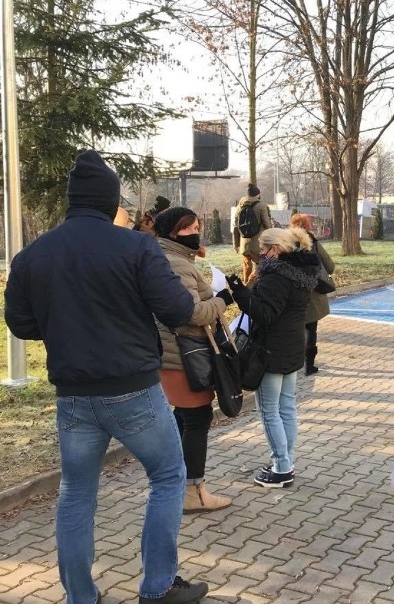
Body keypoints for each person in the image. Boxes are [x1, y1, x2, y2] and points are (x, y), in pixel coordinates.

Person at [4, 150, 208, 604]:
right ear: (110, 200)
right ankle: (158, 586)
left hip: (73, 395)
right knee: (169, 475)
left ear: (73, 199)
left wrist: (63, 329)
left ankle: (81, 596)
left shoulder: (33, 254)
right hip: (133, 388)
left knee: (76, 493)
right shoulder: (136, 246)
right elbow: (178, 310)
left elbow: (20, 325)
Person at [154, 207, 234, 514]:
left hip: (174, 351)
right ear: (173, 233)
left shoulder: (173, 258)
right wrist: (222, 300)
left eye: (198, 226)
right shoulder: (176, 263)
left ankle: (177, 484)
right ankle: (193, 493)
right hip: (182, 353)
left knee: (183, 418)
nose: (196, 233)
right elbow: (192, 314)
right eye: (190, 229)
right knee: (197, 418)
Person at [226, 227, 319, 488]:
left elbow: (264, 314)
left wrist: (238, 291)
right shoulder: (301, 272)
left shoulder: (276, 277)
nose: (260, 256)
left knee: (269, 411)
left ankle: (281, 468)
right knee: (287, 407)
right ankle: (286, 460)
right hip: (291, 348)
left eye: (263, 250)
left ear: (274, 250)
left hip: (270, 351)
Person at [288, 213, 335, 376]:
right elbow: (330, 266)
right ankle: (310, 365)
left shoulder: (285, 242)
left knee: (295, 328)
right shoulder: (312, 242)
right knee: (312, 328)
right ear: (306, 227)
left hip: (292, 293)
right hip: (312, 292)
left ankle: (294, 361)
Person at [233, 184, 273, 282]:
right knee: (260, 270)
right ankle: (257, 290)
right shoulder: (262, 206)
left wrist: (236, 244)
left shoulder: (239, 206)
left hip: (244, 245)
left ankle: (246, 288)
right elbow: (267, 224)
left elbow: (235, 227)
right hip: (259, 245)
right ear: (258, 194)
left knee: (246, 269)